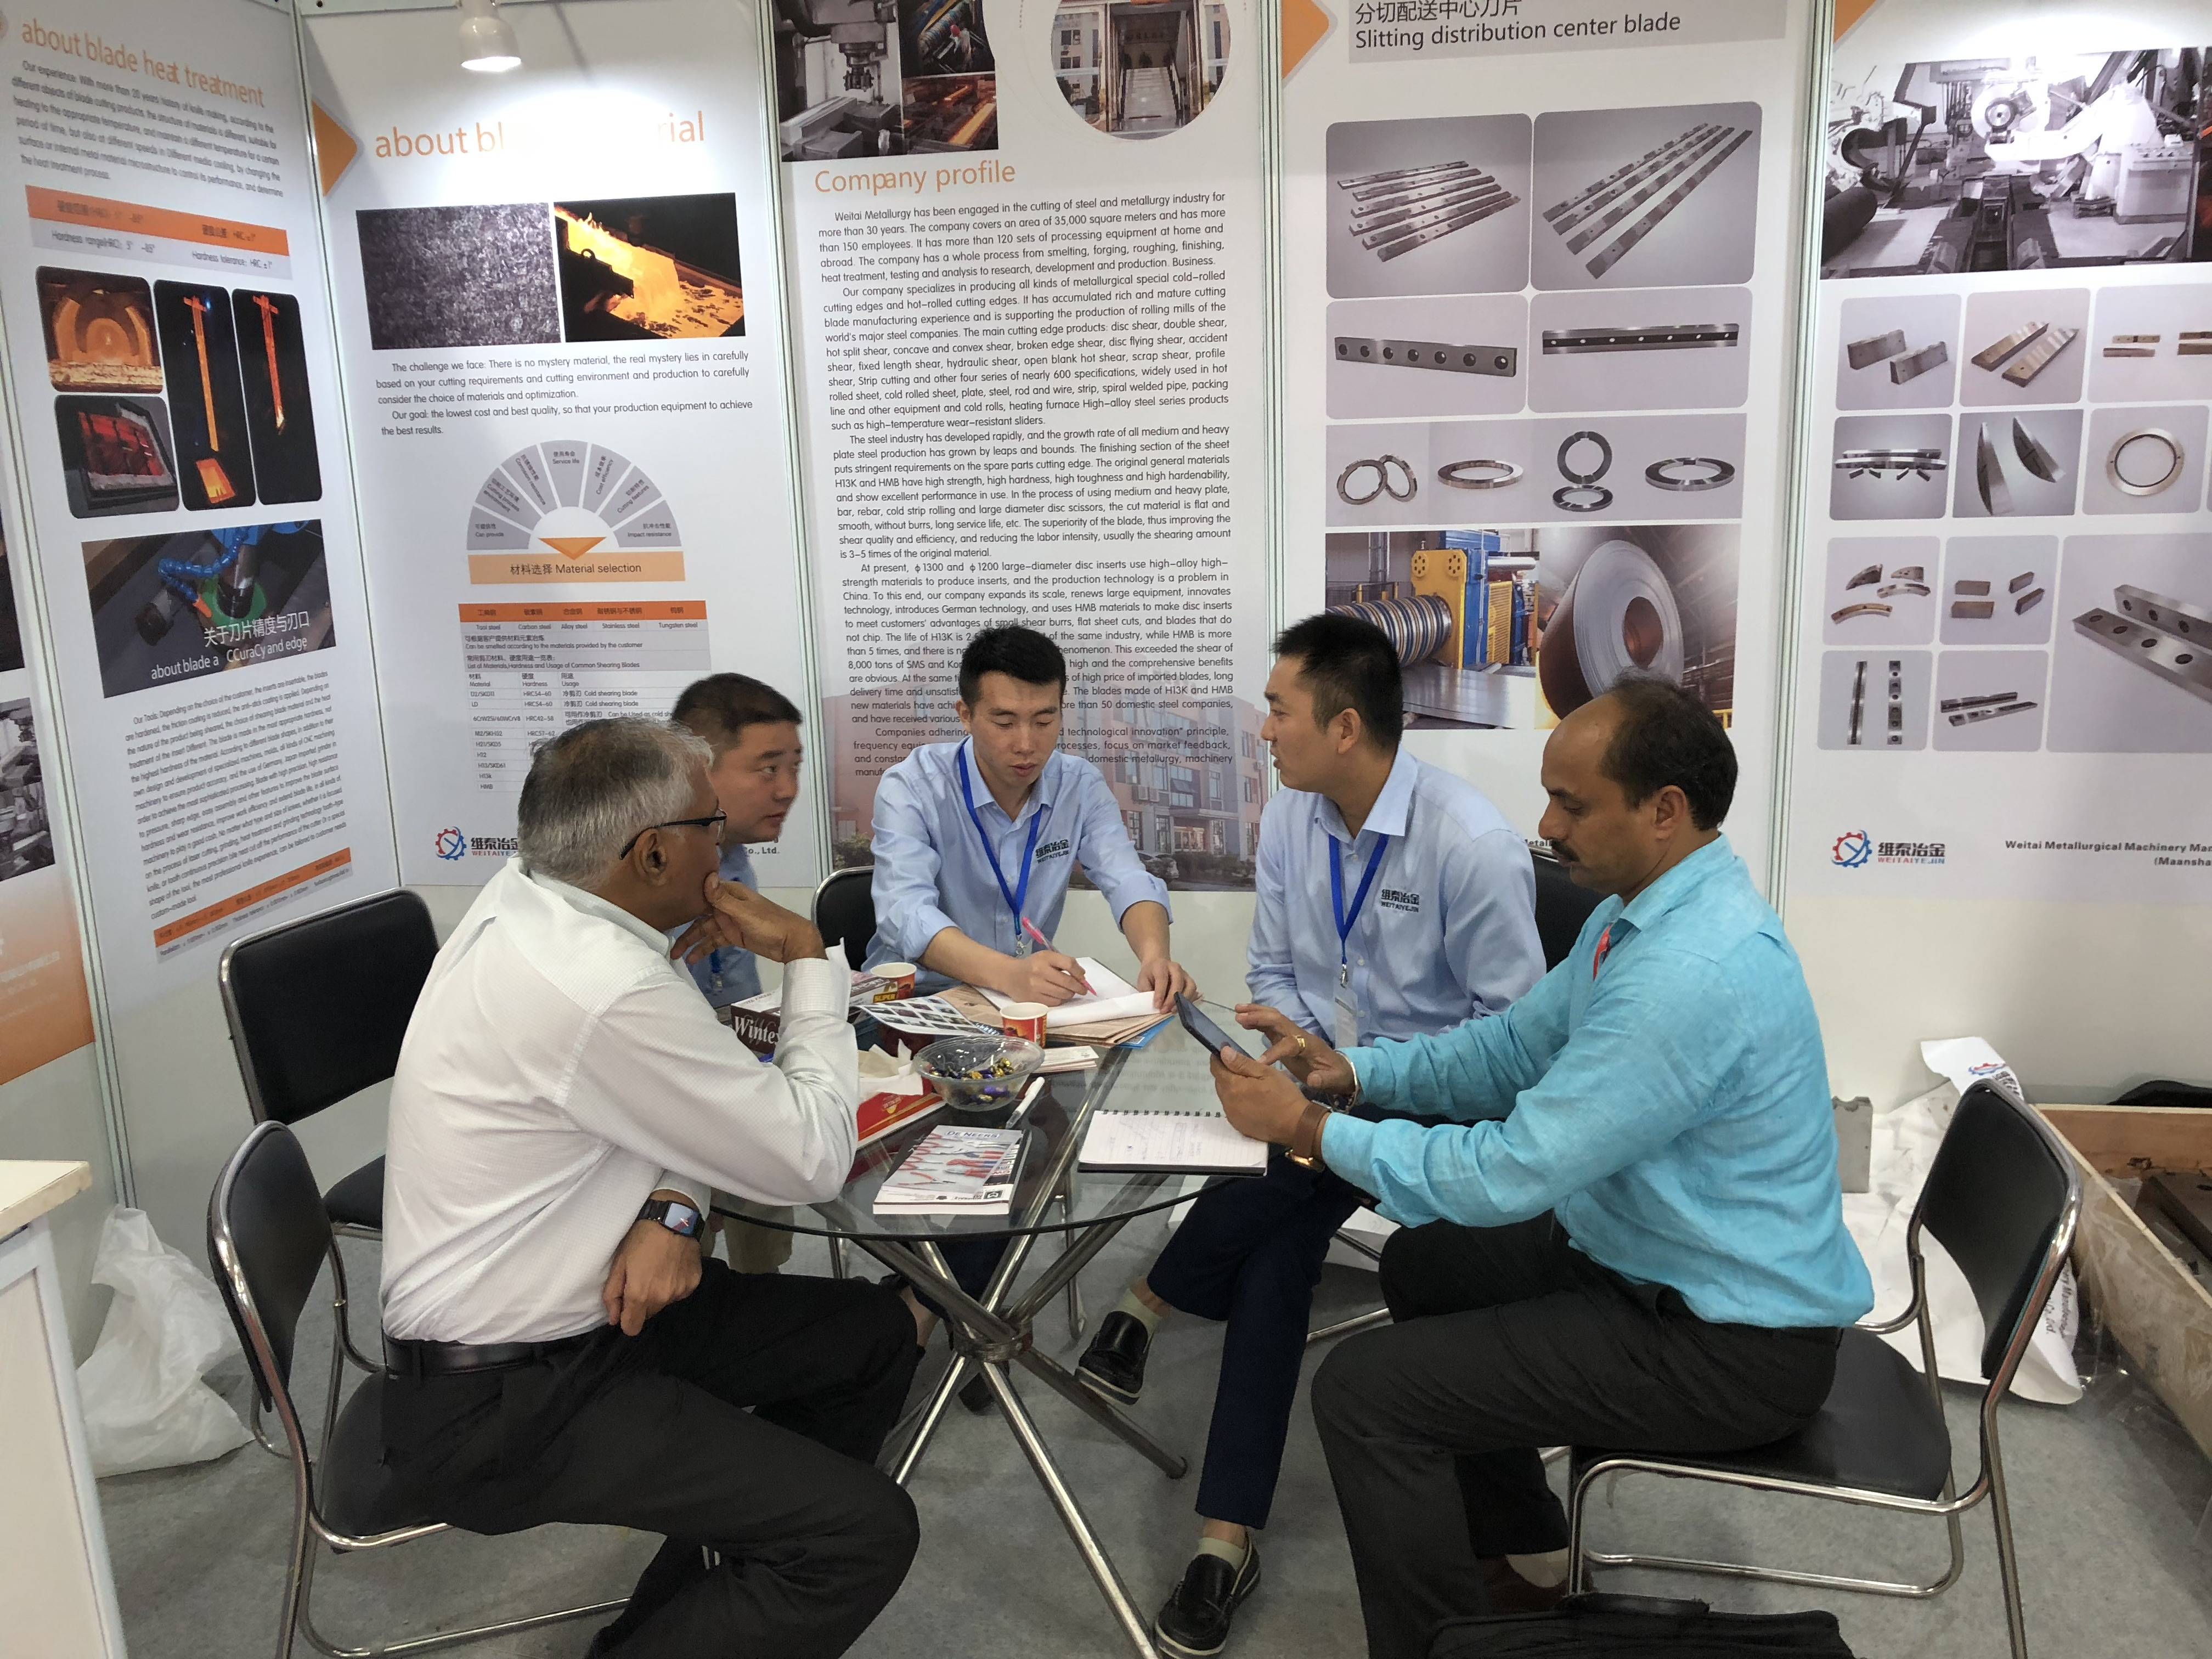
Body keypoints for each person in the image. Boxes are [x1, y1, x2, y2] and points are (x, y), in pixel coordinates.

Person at [1205, 676, 1876, 1659]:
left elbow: (1510, 1172)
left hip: (1729, 1343)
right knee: (1428, 1266)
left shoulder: (1688, 972)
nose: (1547, 826)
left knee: (1365, 1394)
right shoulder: (1633, 917)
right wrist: (1352, 1072)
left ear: (1664, 810)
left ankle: (1452, 1647)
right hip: (1645, 1259)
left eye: (1572, 803)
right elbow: (1512, 1049)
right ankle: (1518, 1558)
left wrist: (1308, 1126)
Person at [379, 717, 921, 1659]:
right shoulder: (602, 984)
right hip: (506, 1400)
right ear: (656, 853)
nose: (731, 843)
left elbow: (676, 1106)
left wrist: (673, 1205)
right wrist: (806, 959)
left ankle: (676, 1617)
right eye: (714, 823)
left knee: (870, 1338)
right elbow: (808, 1154)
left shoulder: (530, 895)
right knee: (862, 1534)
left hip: (588, 1313)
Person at [1074, 612, 1544, 1659]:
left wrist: (1357, 1075)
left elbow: (1513, 1050)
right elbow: (1277, 966)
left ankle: (1149, 1297)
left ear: (1343, 727)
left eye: (1277, 710)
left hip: (1445, 1107)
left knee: (1283, 1173)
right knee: (1282, 1237)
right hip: (1333, 1075)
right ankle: (1225, 1535)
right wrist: (1296, 1044)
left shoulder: (1469, 843)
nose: (1263, 731)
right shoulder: (1292, 814)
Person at [865, 623, 1197, 1402]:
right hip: (915, 1005)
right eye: (1004, 721)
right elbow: (905, 914)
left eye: (1045, 720)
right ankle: (964, 1313)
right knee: (1001, 1134)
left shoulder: (1076, 784)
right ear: (964, 714)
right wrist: (1011, 974)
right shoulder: (913, 785)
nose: (1026, 743)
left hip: (1020, 1018)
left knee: (1039, 1133)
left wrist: (1154, 952)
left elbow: (1127, 876)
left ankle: (933, 1305)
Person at [671, 674, 808, 1276]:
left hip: (738, 1071)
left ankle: (763, 1284)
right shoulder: (658, 877)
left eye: (794, 767)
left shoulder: (731, 855)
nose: (788, 790)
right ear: (700, 772)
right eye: (768, 769)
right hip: (670, 1103)